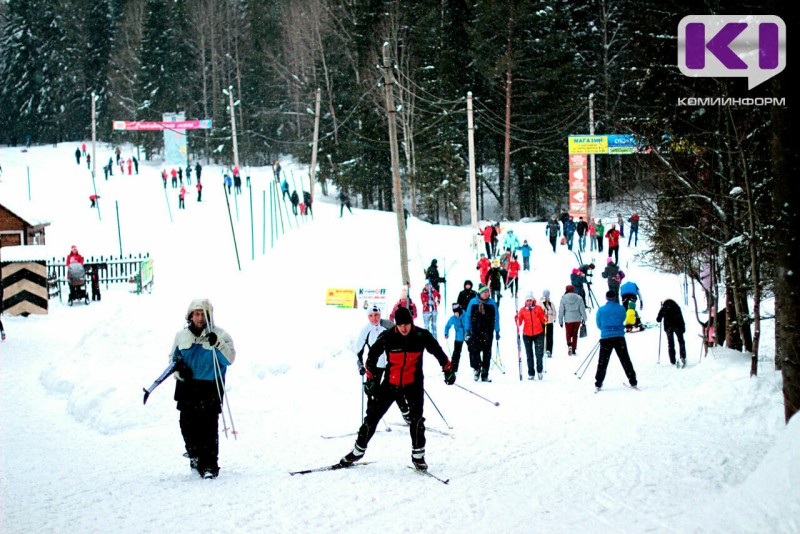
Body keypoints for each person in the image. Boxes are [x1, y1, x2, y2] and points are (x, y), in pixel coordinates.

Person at [339, 306, 454, 471]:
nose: (404, 328)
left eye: (407, 324)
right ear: (396, 325)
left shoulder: (421, 335)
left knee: (416, 419)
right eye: (400, 325)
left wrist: (448, 369)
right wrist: (371, 379)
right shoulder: (388, 336)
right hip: (390, 383)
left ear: (411, 322)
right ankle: (357, 451)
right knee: (372, 416)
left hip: (413, 384)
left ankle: (418, 456)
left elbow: (438, 352)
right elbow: (371, 357)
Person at [168, 299, 236, 479]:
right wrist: (179, 371)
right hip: (187, 386)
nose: (200, 318)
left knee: (208, 426)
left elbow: (229, 359)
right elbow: (173, 359)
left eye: (203, 314)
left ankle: (210, 466)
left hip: (210, 385)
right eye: (196, 314)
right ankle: (195, 455)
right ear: (190, 316)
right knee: (187, 425)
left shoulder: (220, 334)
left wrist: (218, 343)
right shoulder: (181, 336)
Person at [351, 305, 409, 423]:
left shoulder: (388, 325)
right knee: (371, 391)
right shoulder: (365, 330)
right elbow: (358, 351)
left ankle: (407, 414)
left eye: (376, 315)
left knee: (397, 389)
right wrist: (361, 366)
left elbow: (402, 338)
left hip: (391, 364)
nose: (374, 318)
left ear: (380, 314)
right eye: (371, 316)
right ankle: (370, 419)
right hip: (374, 365)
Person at [594, 291, 638, 391]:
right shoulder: (621, 308)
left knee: (602, 361)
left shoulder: (601, 310)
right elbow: (624, 319)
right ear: (615, 297)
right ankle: (633, 380)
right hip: (619, 337)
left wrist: (605, 329)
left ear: (606, 298)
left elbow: (598, 324)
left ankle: (598, 383)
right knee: (625, 359)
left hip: (606, 338)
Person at [464, 284, 500, 382]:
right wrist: (467, 330)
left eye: (487, 292)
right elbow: (467, 316)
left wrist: (497, 330)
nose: (487, 294)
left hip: (488, 332)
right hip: (475, 331)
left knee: (487, 353)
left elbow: (497, 317)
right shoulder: (473, 302)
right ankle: (476, 369)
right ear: (480, 293)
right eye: (484, 292)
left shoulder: (492, 303)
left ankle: (485, 374)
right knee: (474, 351)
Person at [517, 292, 546, 380]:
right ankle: (531, 372)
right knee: (529, 354)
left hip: (538, 333)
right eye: (527, 301)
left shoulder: (538, 308)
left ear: (533, 300)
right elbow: (520, 322)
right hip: (527, 334)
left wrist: (545, 318)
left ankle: (539, 370)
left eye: (530, 300)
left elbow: (543, 320)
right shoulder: (522, 310)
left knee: (539, 353)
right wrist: (517, 319)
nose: (529, 302)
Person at [656, 299, 687, 366]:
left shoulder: (664, 307)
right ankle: (683, 357)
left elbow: (658, 319)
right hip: (677, 325)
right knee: (681, 341)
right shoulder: (676, 307)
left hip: (668, 327)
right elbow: (681, 317)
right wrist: (683, 327)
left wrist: (662, 311)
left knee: (670, 343)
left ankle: (672, 360)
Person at [559, 285, 587, 355]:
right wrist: (584, 318)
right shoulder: (579, 298)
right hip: (577, 319)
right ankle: (574, 348)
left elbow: (561, 310)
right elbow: (582, 309)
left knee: (568, 333)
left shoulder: (563, 298)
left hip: (568, 319)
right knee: (575, 334)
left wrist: (560, 321)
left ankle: (569, 344)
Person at [444, 303, 466, 372]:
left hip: (468, 336)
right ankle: (454, 367)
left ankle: (476, 367)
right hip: (458, 337)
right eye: (454, 312)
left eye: (457, 312)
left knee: (472, 351)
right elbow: (447, 326)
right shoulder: (453, 318)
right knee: (456, 353)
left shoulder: (465, 316)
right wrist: (446, 333)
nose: (456, 314)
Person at [540, 289, 557, 357]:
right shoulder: (541, 302)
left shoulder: (550, 303)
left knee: (547, 336)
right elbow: (554, 312)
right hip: (545, 321)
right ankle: (546, 349)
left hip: (547, 321)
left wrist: (553, 318)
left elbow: (554, 312)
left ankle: (547, 350)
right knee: (547, 337)